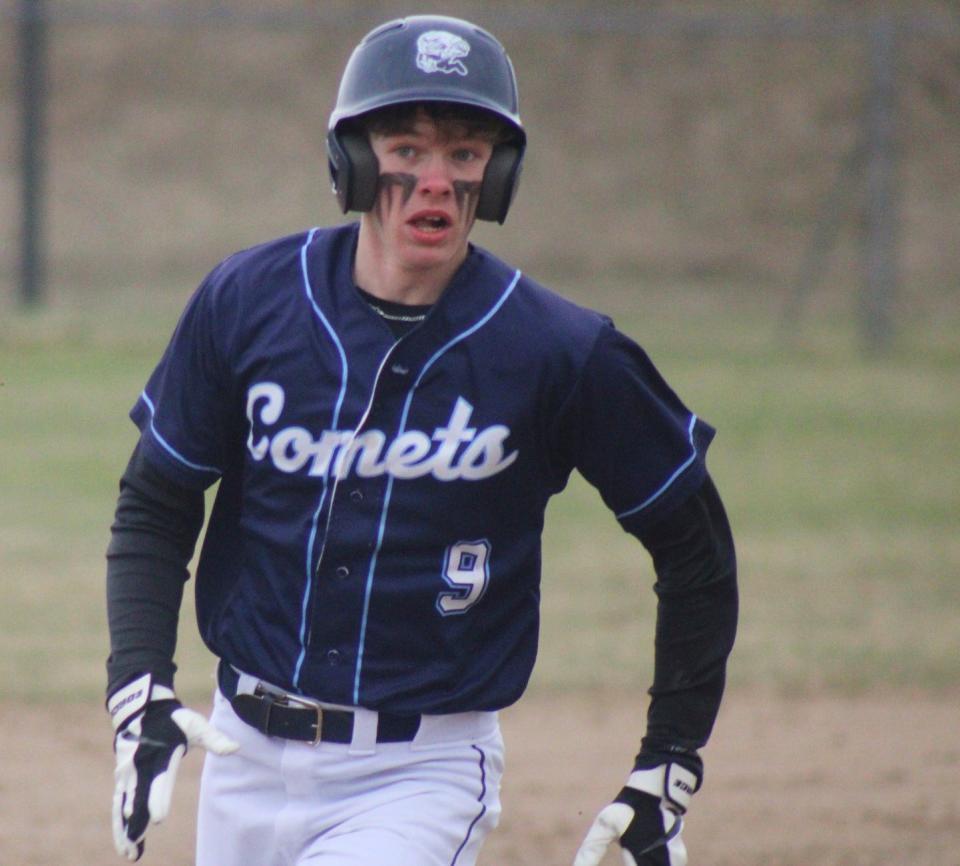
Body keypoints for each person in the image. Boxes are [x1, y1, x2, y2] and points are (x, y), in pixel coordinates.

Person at [105, 14, 737, 866]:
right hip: (239, 756)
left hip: (418, 773)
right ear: (353, 163)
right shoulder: (249, 301)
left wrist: (670, 760)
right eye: (406, 147)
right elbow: (158, 498)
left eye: (465, 153)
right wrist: (138, 685)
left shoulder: (557, 350)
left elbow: (694, 546)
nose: (435, 180)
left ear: (499, 176)